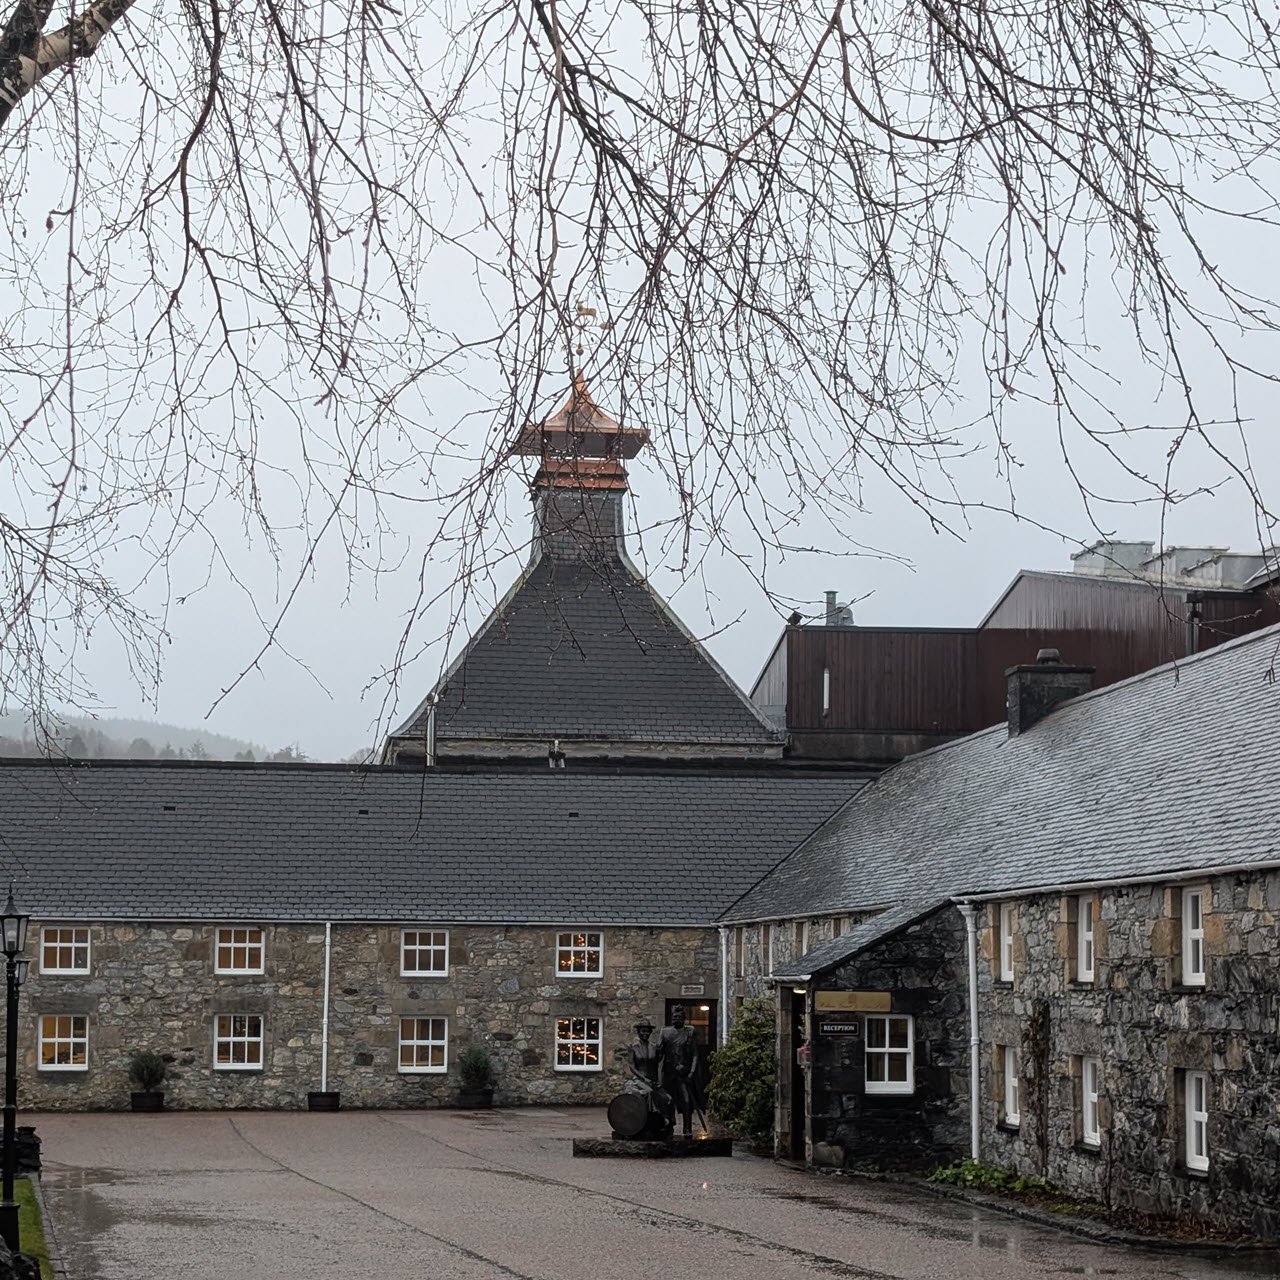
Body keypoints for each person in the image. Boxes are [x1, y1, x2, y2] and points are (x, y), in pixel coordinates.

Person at [658, 1004, 705, 1136]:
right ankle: (668, 1126)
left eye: (679, 1017)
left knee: (686, 1100)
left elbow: (695, 1054)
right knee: (667, 1101)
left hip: (683, 1074)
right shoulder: (665, 1032)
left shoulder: (689, 1032)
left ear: (684, 1019)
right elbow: (659, 1053)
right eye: (674, 1017)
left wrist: (691, 1072)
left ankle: (687, 1128)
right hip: (669, 1072)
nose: (677, 1019)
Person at [623, 1019, 674, 1135]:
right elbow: (632, 1067)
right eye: (643, 1031)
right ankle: (656, 1120)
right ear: (638, 1032)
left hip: (653, 1081)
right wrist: (644, 1078)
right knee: (650, 1093)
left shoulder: (654, 1047)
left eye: (647, 1031)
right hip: (639, 1081)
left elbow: (659, 1059)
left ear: (650, 1032)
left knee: (668, 1099)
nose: (645, 1033)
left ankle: (667, 1125)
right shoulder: (633, 1047)